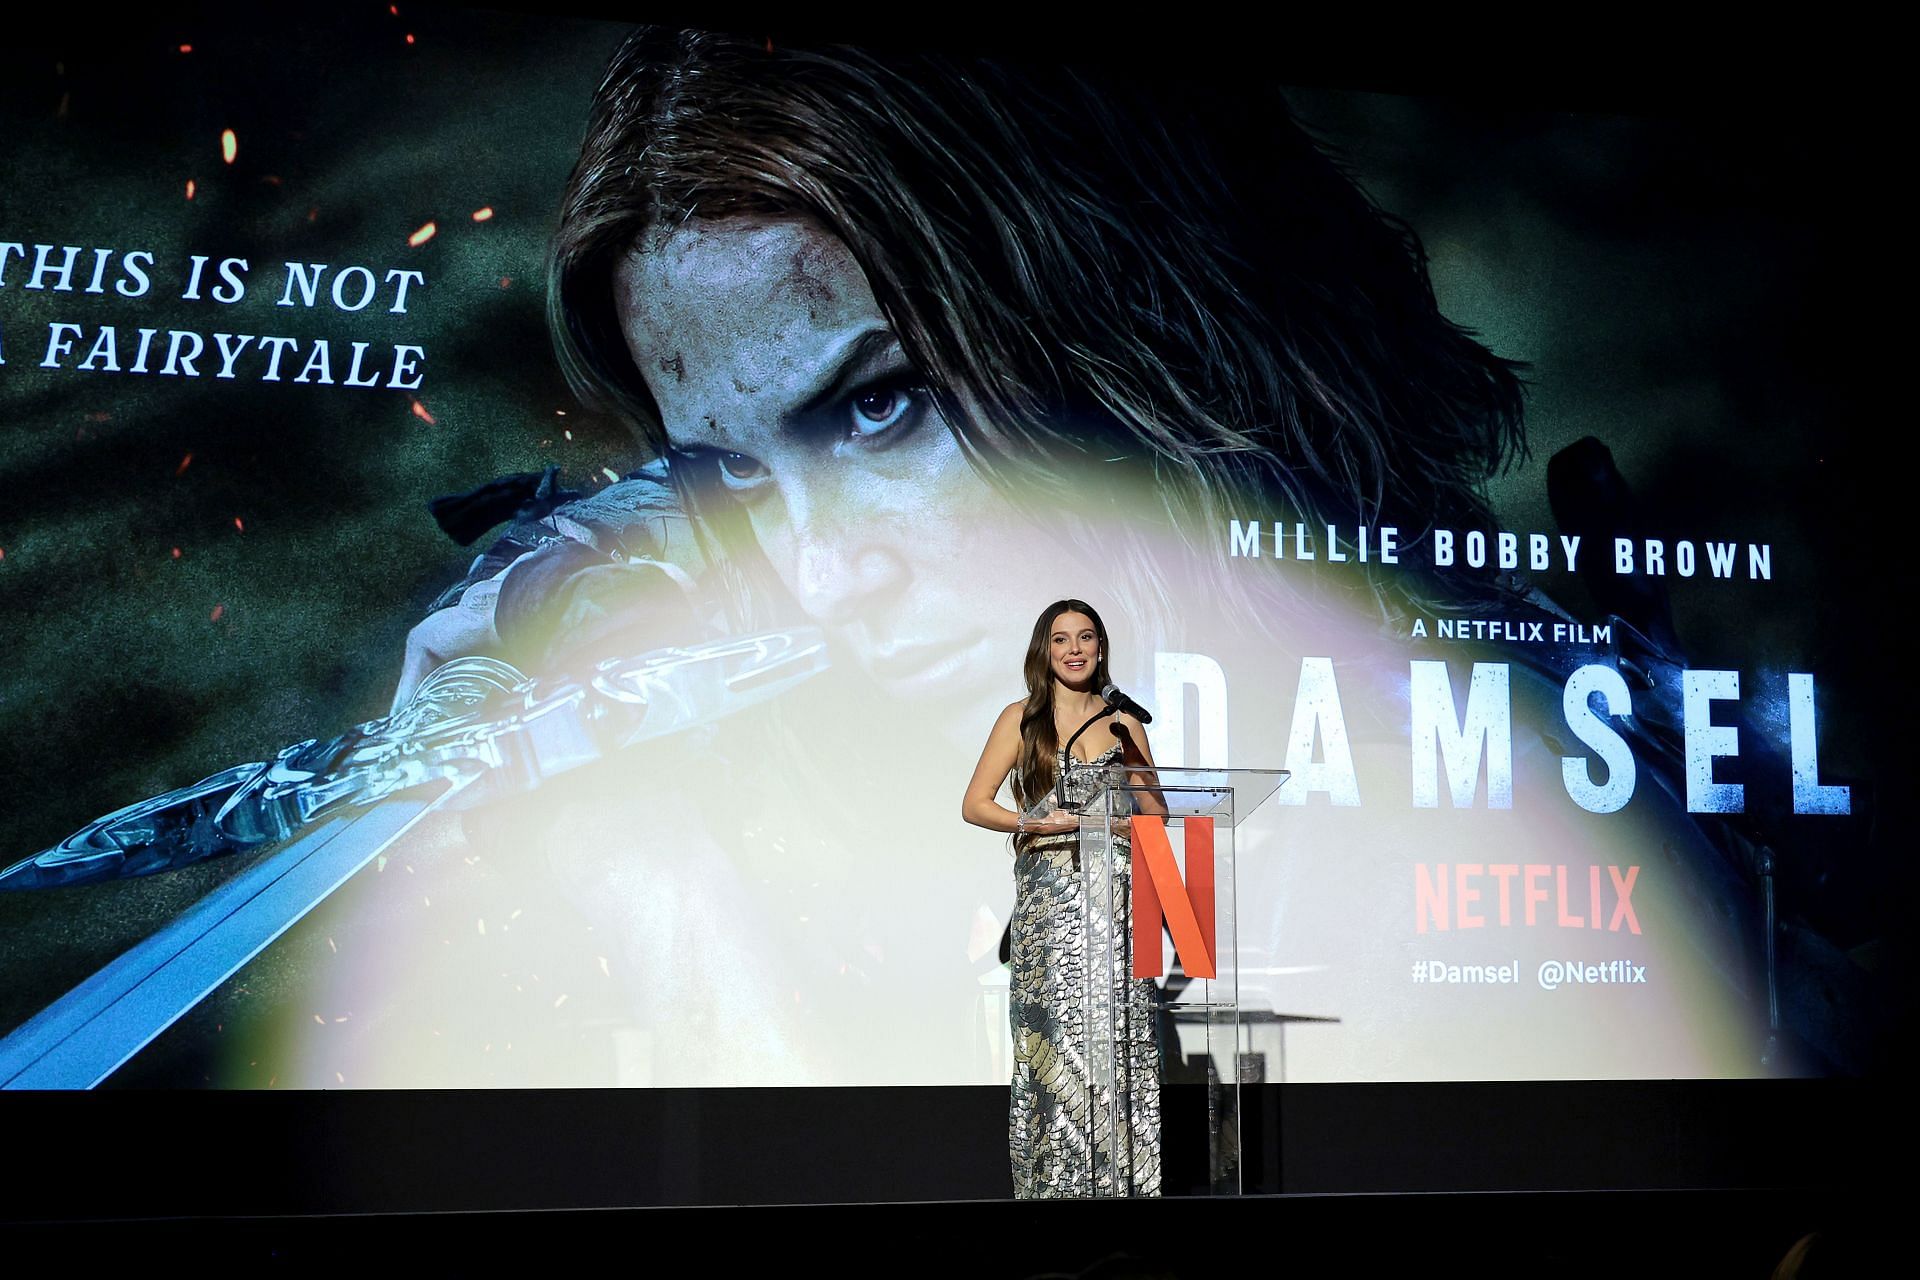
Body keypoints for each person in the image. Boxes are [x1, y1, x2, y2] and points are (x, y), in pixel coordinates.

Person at [350, 25, 1799, 1093]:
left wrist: (674, 907)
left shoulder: (1429, 813)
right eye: (727, 477)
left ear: (1138, 336)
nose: (815, 575)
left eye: (880, 405)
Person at [962, 599, 1163, 1197]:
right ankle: (1053, 1195)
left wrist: (1129, 817)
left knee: (1119, 1031)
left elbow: (1156, 811)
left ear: (1101, 649)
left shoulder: (1126, 724)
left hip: (1117, 903)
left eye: (1085, 638)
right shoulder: (1021, 719)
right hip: (1052, 904)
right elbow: (975, 804)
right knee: (1059, 1040)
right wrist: (1042, 824)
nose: (1074, 649)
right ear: (1043, 651)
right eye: (1060, 639)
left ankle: (1122, 1191)